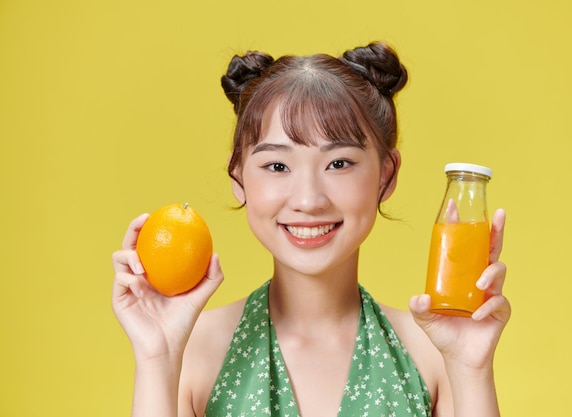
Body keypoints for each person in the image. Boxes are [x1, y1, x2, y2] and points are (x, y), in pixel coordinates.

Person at [112, 41, 510, 417]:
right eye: (277, 166)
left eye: (338, 163)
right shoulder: (192, 351)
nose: (308, 199)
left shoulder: (434, 351)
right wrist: (157, 356)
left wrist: (471, 367)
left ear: (385, 176)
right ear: (238, 175)